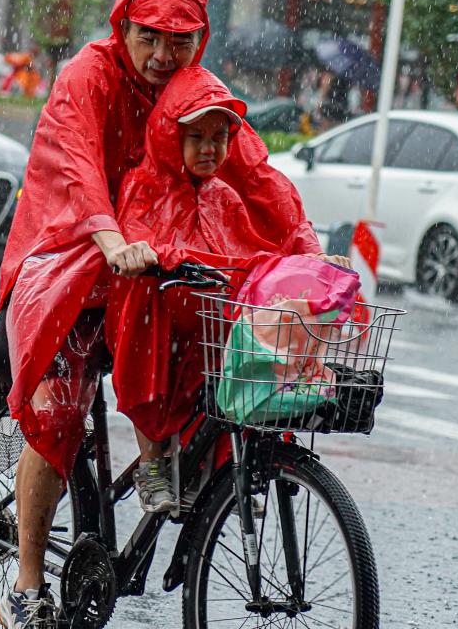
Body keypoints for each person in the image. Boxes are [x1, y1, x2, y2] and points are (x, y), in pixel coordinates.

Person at [0, 0, 322, 629]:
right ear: (123, 28)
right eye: (150, 37)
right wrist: (111, 239)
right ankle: (24, 584)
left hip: (150, 262)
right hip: (66, 252)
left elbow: (252, 170)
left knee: (215, 347)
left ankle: (170, 459)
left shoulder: (189, 91)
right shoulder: (87, 75)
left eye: (180, 40)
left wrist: (308, 258)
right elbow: (80, 169)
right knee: (61, 405)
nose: (162, 54)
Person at [106, 65, 347, 512]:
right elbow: (135, 231)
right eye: (196, 137)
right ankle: (152, 462)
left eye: (219, 138)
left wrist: (310, 264)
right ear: (170, 136)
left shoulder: (225, 194)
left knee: (251, 353)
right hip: (163, 310)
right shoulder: (146, 184)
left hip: (210, 313)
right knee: (149, 351)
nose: (209, 149)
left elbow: (265, 243)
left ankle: (220, 468)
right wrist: (144, 254)